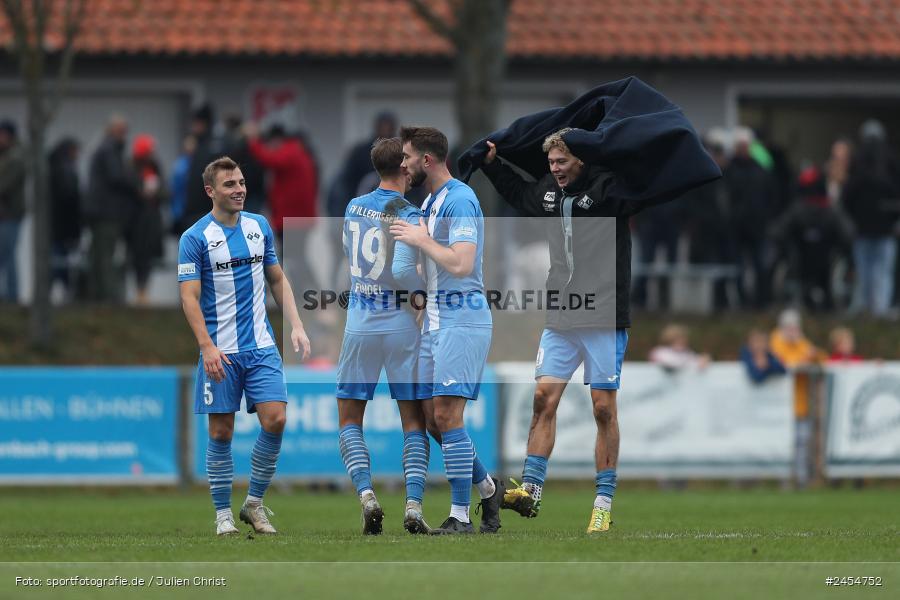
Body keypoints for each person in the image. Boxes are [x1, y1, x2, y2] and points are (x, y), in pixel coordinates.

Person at [178, 156, 311, 536]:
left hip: (261, 346)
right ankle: (222, 514)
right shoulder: (194, 238)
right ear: (210, 191)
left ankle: (253, 503)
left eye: (241, 182)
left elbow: (277, 278)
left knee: (277, 419)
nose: (238, 189)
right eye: (229, 185)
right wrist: (206, 347)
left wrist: (297, 325)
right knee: (221, 432)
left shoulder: (259, 226)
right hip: (219, 350)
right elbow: (189, 298)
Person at [389, 126, 504, 535]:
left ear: (426, 159)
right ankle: (489, 489)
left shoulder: (460, 200)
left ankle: (459, 516)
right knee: (432, 419)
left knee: (447, 415)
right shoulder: (433, 202)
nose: (402, 164)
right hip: (435, 320)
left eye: (406, 157)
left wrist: (421, 240)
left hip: (463, 319)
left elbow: (462, 264)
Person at [335, 137, 431, 535]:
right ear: (405, 169)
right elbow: (406, 271)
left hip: (360, 323)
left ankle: (367, 496)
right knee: (413, 420)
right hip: (398, 324)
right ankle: (412, 506)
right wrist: (421, 294)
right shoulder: (408, 213)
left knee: (349, 418)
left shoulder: (353, 206)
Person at [769, 166, 853, 311]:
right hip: (824, 262)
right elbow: (848, 234)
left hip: (803, 263)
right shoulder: (831, 211)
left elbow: (777, 232)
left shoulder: (797, 210)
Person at [246, 123, 319, 289]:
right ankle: (305, 292)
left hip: (294, 218)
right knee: (294, 256)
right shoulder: (297, 151)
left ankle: (313, 291)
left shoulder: (290, 151)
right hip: (297, 217)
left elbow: (268, 159)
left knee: (294, 257)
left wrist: (253, 141)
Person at [841, 119, 900, 318]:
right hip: (884, 227)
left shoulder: (859, 161)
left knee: (865, 270)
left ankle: (867, 307)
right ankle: (880, 309)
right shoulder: (890, 160)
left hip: (863, 227)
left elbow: (847, 195)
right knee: (882, 271)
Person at [85, 115, 136, 303]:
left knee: (98, 254)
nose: (125, 136)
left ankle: (95, 295)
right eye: (122, 131)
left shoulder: (103, 148)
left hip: (100, 211)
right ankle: (106, 298)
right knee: (105, 255)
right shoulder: (109, 150)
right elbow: (116, 177)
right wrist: (136, 185)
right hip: (107, 212)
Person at [127, 134, 167, 306]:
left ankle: (143, 292)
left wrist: (156, 193)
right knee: (137, 257)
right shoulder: (130, 169)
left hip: (152, 220)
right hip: (136, 220)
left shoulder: (155, 167)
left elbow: (165, 191)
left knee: (148, 258)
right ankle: (139, 291)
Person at [48, 138, 82, 300]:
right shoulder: (65, 169)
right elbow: (70, 198)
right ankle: (66, 292)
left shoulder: (53, 167)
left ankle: (57, 291)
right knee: (60, 262)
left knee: (57, 260)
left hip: (55, 225)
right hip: (63, 226)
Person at [0, 119, 25, 303]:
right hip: (5, 214)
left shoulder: (15, 157)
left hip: (10, 214)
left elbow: (5, 185)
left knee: (7, 254)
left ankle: (11, 295)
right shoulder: (7, 155)